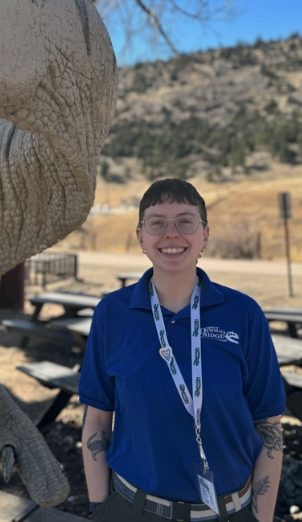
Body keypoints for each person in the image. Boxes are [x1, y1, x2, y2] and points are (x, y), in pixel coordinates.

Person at [79, 178, 285, 522]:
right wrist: (101, 510)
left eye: (186, 221)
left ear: (204, 235)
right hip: (133, 511)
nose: (171, 233)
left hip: (230, 512)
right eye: (157, 223)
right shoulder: (112, 313)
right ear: (140, 237)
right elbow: (98, 418)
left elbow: (269, 424)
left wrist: (260, 519)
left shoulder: (243, 313)